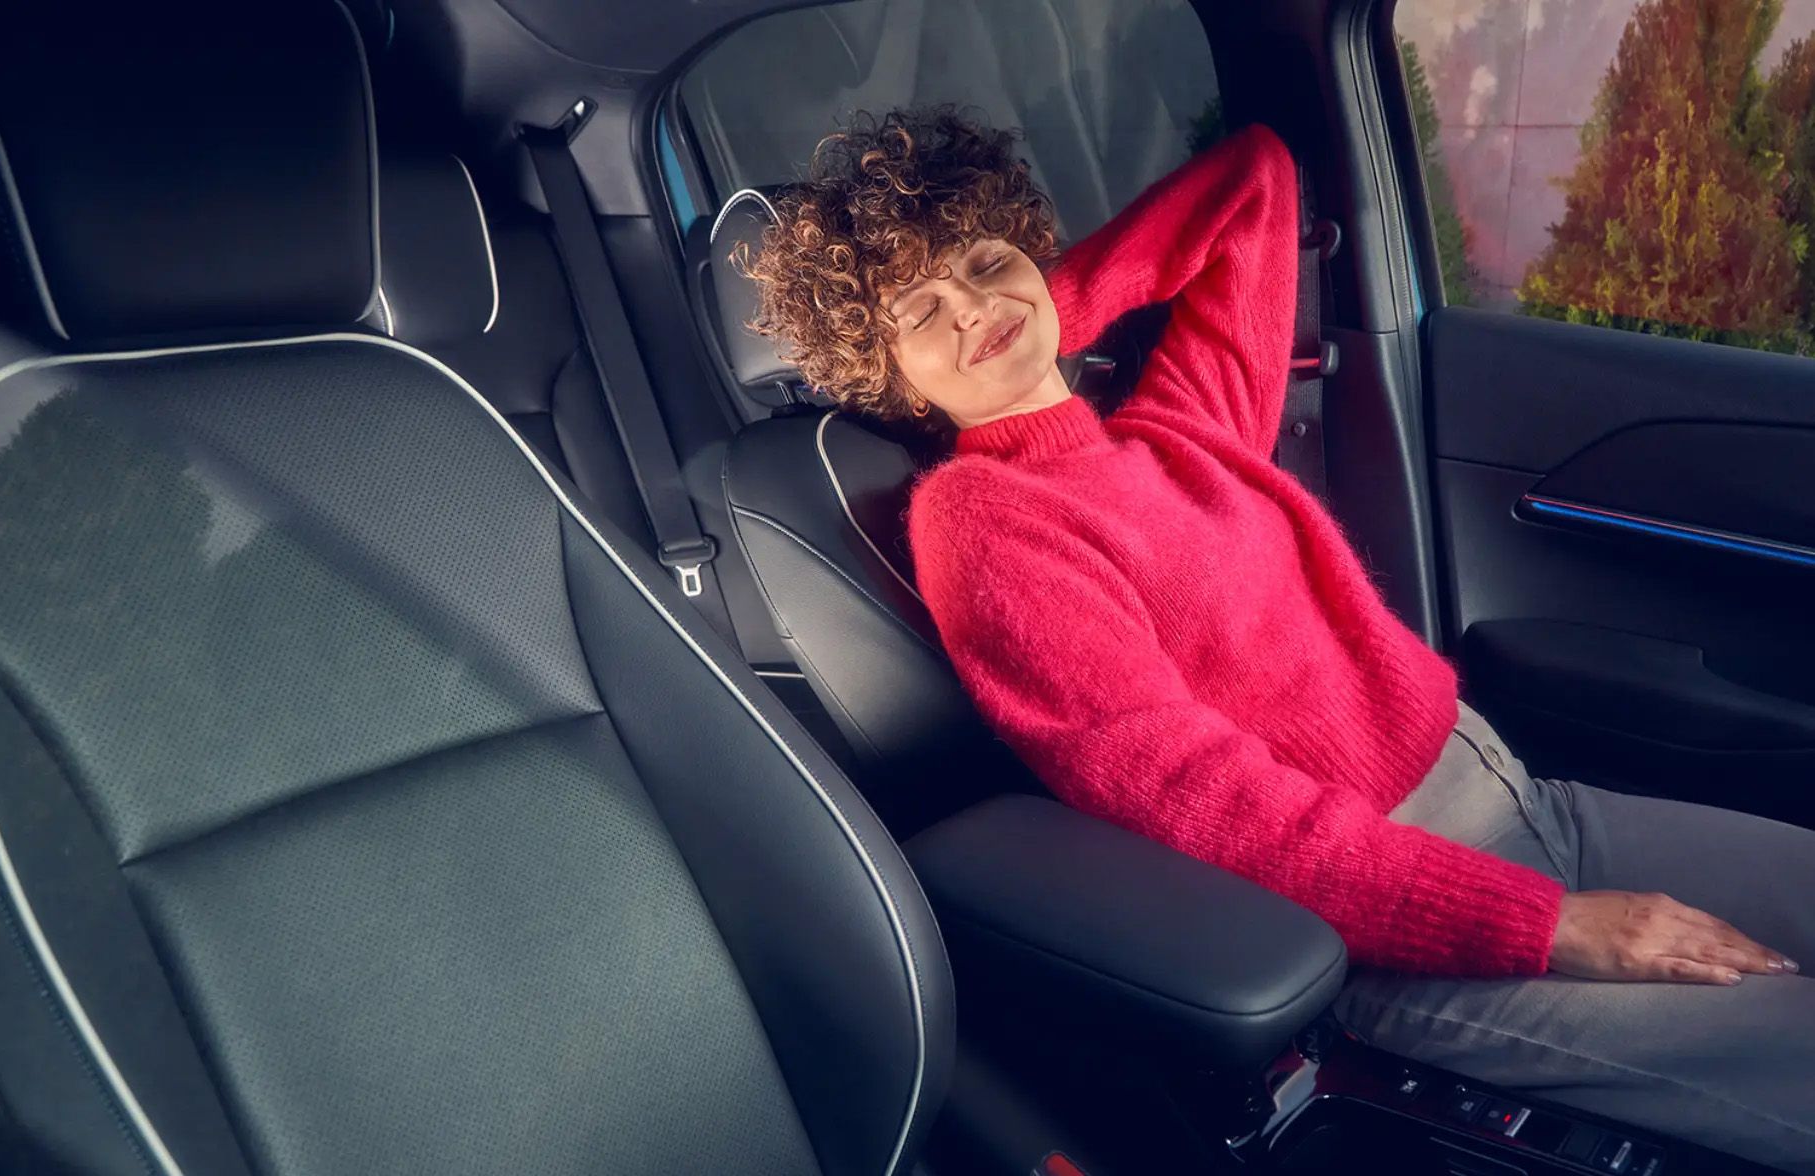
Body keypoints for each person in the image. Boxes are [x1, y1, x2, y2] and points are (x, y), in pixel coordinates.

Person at [739, 105, 1815, 1171]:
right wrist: (1547, 925)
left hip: (1531, 804)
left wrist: (1037, 307)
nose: (972, 307)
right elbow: (1196, 801)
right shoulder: (982, 522)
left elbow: (1253, 184)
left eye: (984, 261)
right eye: (921, 311)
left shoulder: (1178, 430)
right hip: (1405, 929)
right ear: (888, 376)